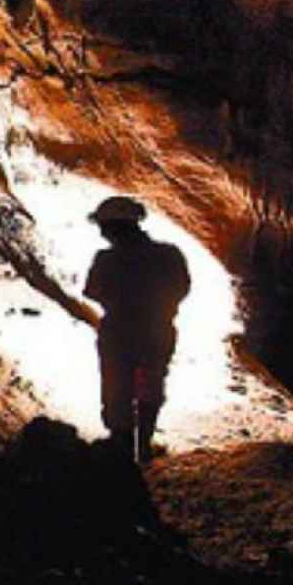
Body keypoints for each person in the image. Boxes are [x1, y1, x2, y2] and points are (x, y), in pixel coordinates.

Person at [81, 195, 190, 465]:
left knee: (118, 387)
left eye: (104, 226)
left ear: (114, 227)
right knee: (150, 385)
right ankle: (143, 446)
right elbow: (182, 287)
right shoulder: (169, 254)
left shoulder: (106, 259)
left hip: (118, 333)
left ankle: (122, 445)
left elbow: (91, 291)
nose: (102, 232)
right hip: (157, 331)